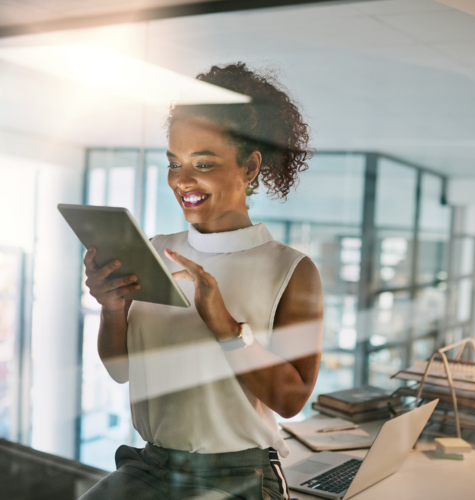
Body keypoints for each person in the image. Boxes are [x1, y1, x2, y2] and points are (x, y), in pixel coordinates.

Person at [80, 62, 323, 500]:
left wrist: (227, 330)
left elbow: (292, 399)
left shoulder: (290, 269)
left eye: (203, 163)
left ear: (249, 168)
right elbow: (120, 370)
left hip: (239, 478)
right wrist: (111, 309)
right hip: (151, 468)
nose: (182, 180)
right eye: (175, 163)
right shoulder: (153, 249)